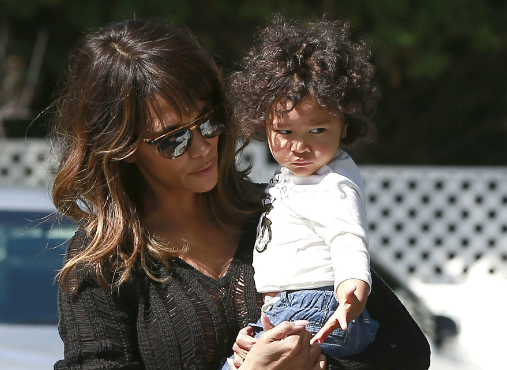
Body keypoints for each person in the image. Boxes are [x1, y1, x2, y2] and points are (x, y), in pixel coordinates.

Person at [51, 18, 429, 370]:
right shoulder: (102, 262)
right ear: (124, 147)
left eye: (210, 120)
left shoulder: (281, 208)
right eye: (174, 139)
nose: (203, 147)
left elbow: (407, 351)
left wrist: (320, 363)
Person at [224, 14, 431, 369]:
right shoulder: (299, 177)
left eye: (317, 130)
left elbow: (347, 235)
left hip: (316, 305)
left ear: (344, 123)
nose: (299, 146)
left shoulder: (332, 183)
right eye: (285, 132)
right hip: (294, 307)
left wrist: (353, 284)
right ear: (264, 124)